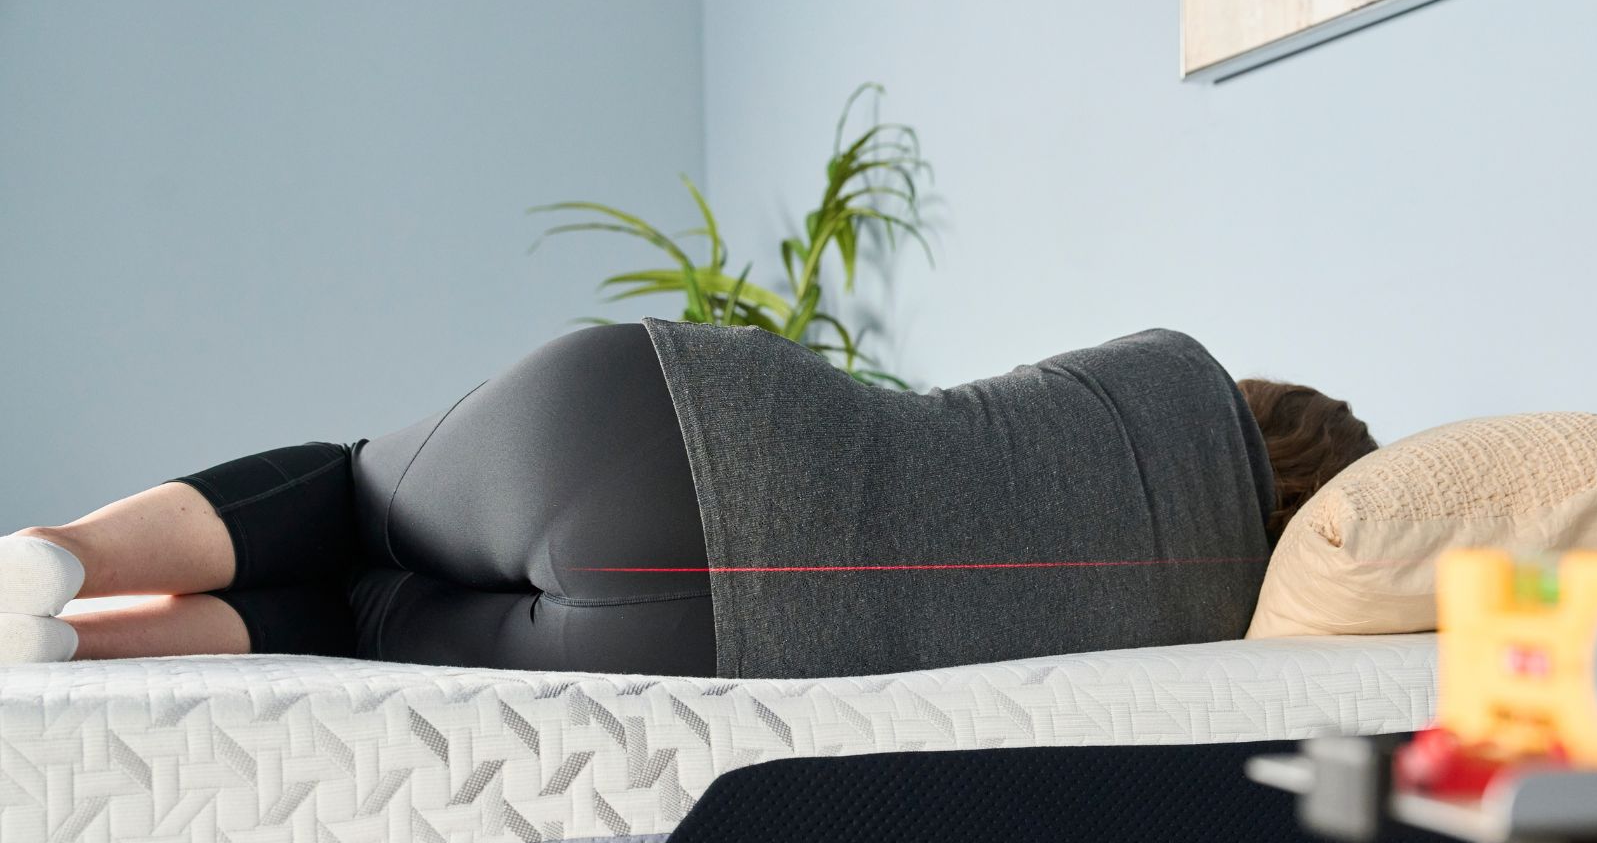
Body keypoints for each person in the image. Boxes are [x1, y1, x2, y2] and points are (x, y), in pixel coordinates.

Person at [0, 322, 1375, 677]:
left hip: (658, 422)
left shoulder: (1167, 374)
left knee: (357, 488)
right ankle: (80, 643)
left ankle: (64, 557)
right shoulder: (1226, 614)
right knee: (365, 617)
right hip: (703, 640)